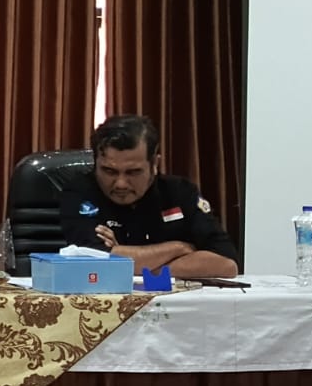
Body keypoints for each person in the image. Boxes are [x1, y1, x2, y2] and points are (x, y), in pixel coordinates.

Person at [58, 114, 239, 279]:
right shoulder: (80, 193)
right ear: (95, 164)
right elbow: (92, 262)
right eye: (109, 171)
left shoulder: (180, 192)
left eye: (133, 172)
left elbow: (227, 264)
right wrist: (179, 248)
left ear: (154, 164)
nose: (121, 184)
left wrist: (126, 261)